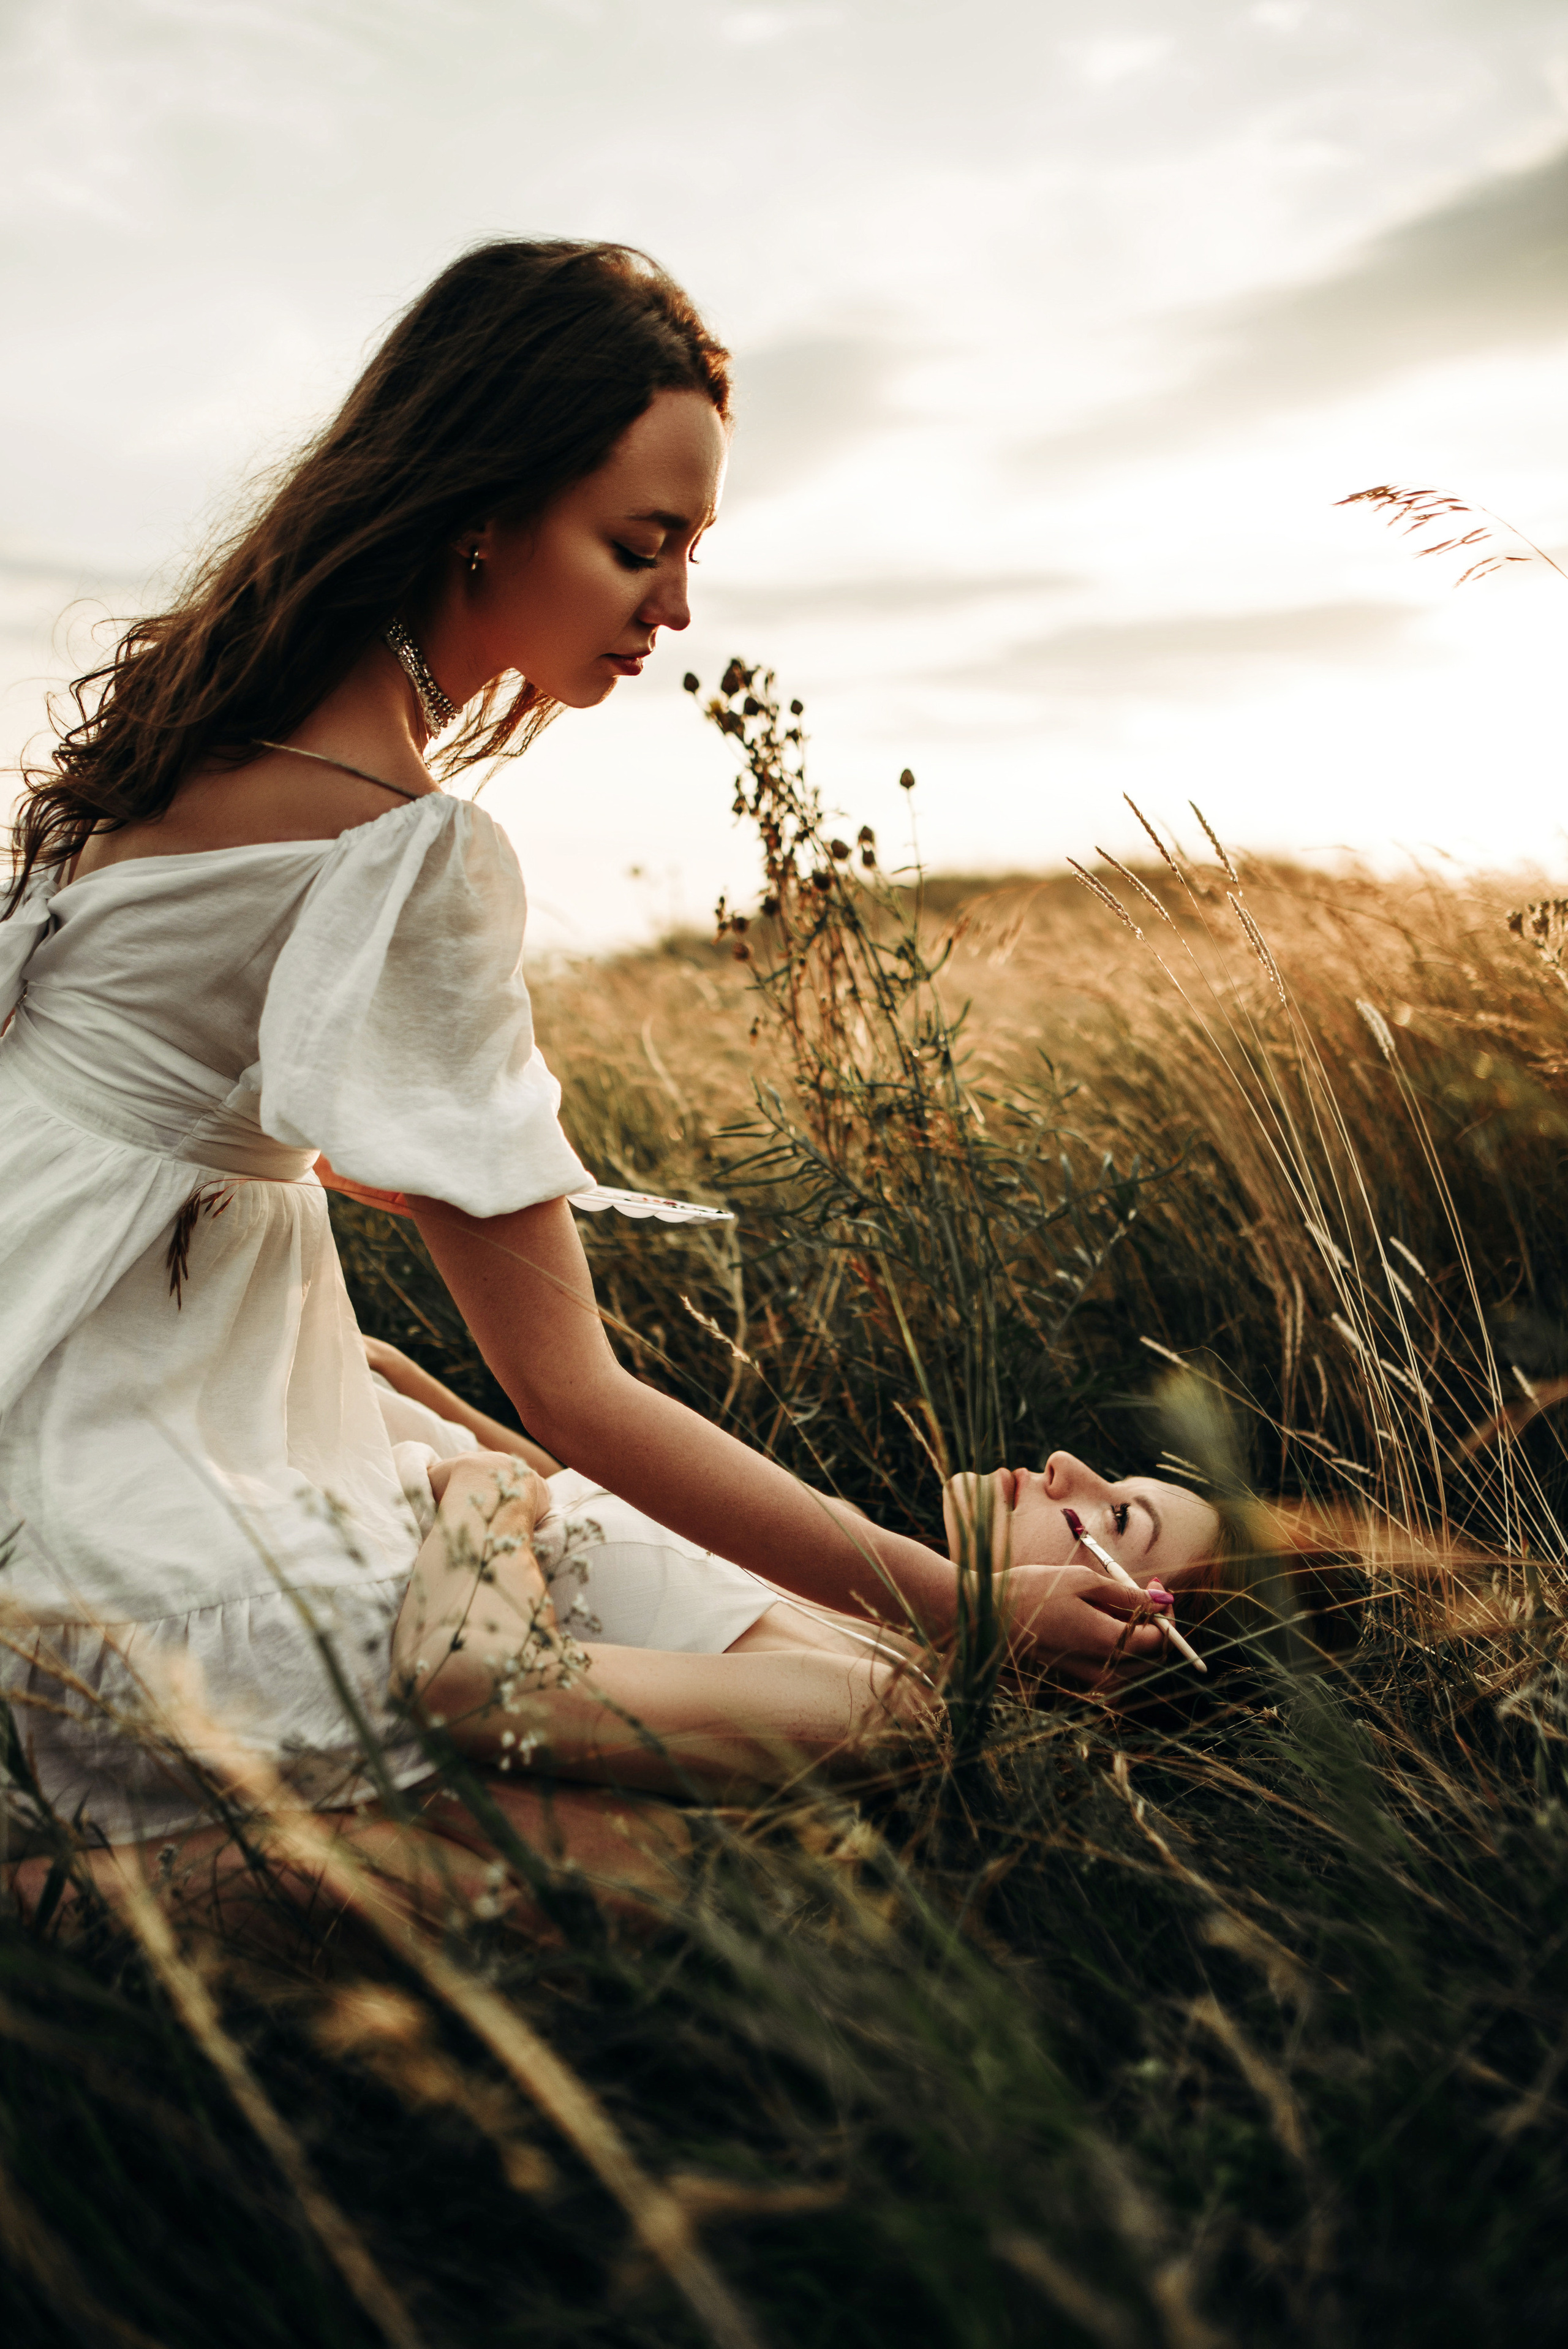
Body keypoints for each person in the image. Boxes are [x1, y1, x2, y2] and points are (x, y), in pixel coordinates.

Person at [0, 240, 1208, 1898]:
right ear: (480, 508)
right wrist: (963, 1605)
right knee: (564, 1855)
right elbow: (576, 1393)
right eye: (643, 545)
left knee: (504, 1652)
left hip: (61, 1307)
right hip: (89, 1413)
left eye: (693, 549)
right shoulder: (402, 846)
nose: (680, 608)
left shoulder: (198, 729)